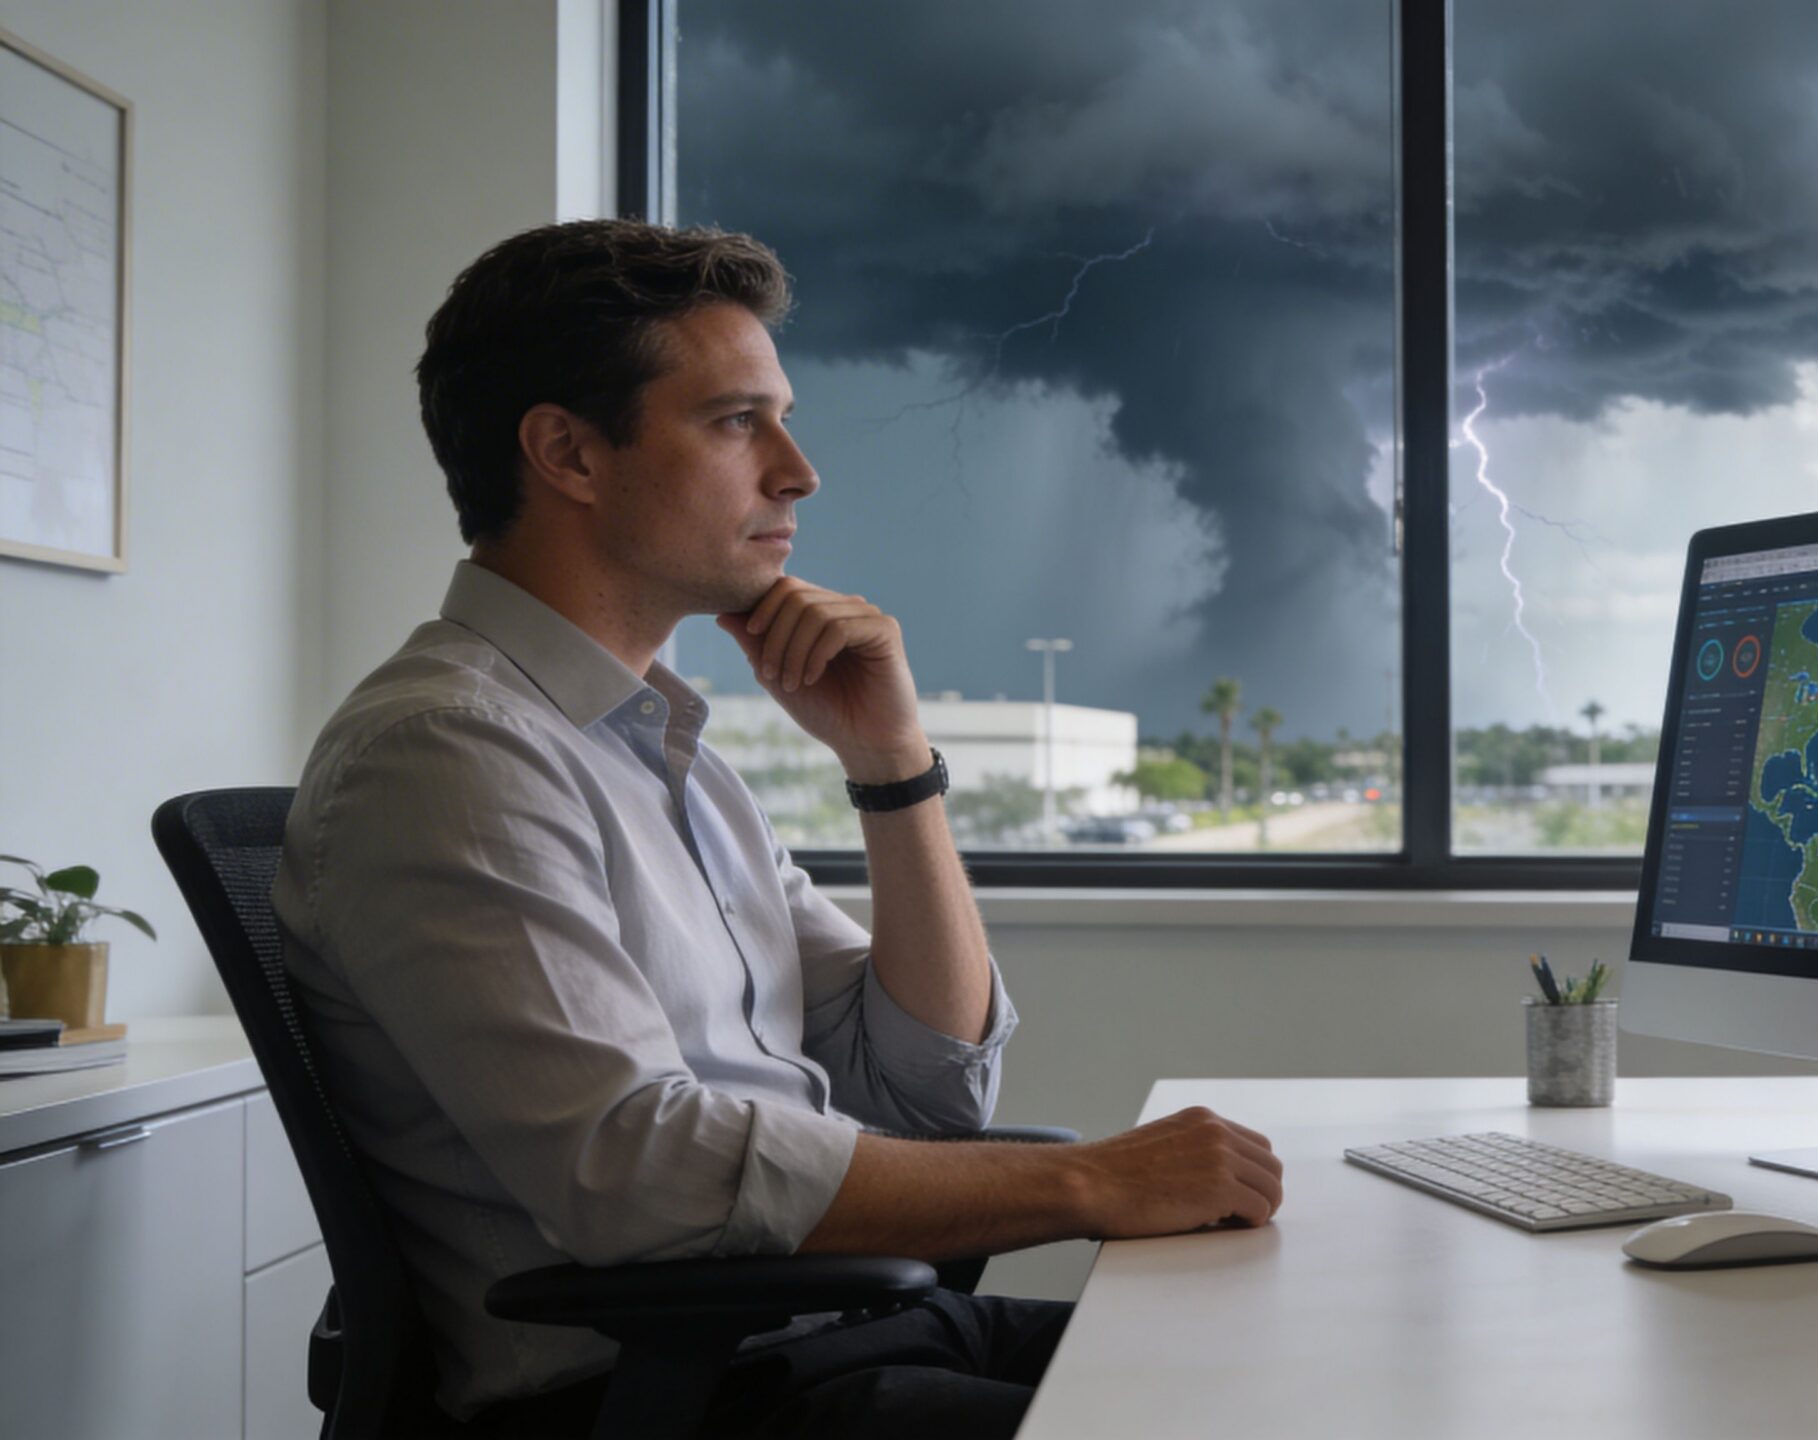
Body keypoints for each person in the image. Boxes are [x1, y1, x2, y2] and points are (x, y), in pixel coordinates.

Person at [273, 219, 1284, 1437]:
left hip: (835, 1343)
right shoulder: (446, 755)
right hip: (673, 1401)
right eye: (737, 421)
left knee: (1295, 1363)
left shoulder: (664, 751)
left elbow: (925, 1088)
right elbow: (633, 1169)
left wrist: (891, 768)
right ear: (567, 454)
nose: (798, 470)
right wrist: (1085, 1181)